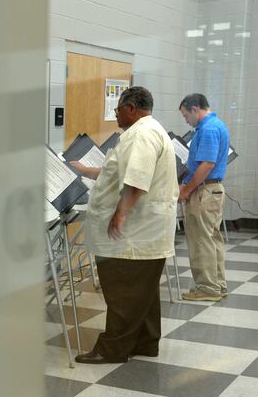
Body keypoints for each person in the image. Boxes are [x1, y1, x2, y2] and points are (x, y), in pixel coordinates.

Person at [69, 86, 178, 364]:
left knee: (123, 293)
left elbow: (136, 180)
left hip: (133, 234)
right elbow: (118, 171)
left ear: (131, 108)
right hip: (146, 233)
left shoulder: (141, 135)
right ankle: (145, 342)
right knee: (143, 293)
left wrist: (119, 214)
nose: (116, 115)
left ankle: (112, 349)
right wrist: (85, 171)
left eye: (117, 109)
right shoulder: (148, 130)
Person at [178, 94, 231, 301]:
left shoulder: (208, 129)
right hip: (212, 191)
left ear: (195, 109)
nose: (186, 120)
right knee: (212, 239)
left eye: (185, 116)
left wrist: (186, 190)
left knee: (201, 240)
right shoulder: (216, 125)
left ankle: (208, 288)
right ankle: (218, 285)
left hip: (204, 192)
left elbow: (206, 165)